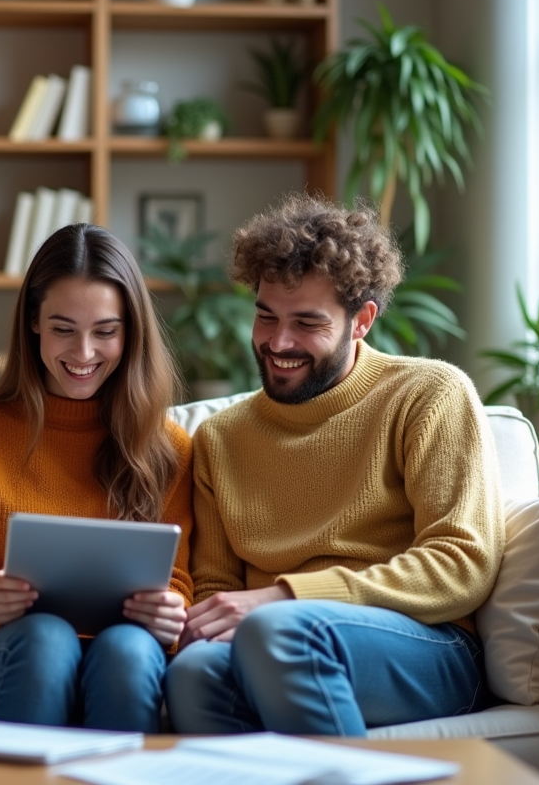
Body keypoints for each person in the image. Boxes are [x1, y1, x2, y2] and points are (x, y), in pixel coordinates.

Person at [165, 193, 504, 736]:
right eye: (266, 316)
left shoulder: (428, 395)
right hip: (271, 640)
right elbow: (215, 588)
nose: (279, 342)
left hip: (426, 645)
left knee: (280, 631)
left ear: (362, 320)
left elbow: (461, 564)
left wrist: (284, 597)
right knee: (195, 673)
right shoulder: (221, 438)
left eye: (307, 323)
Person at [0, 223, 193, 732]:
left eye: (106, 332)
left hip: (121, 648)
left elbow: (177, 578)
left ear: (131, 332)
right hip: (4, 652)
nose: (84, 353)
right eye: (63, 329)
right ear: (33, 322)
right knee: (46, 637)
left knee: (130, 651)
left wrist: (171, 611)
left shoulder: (169, 447)